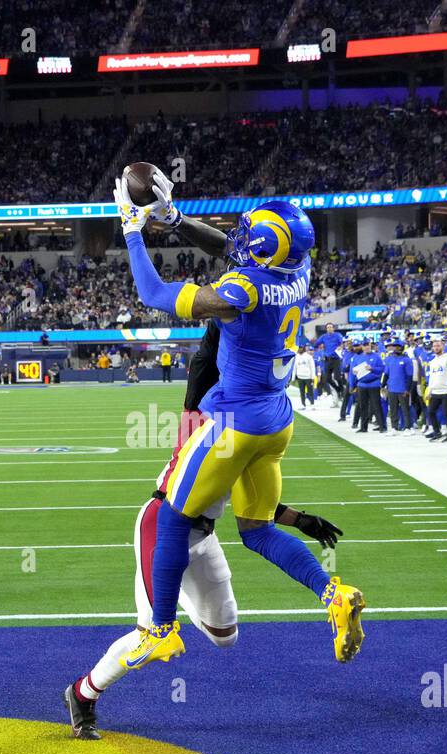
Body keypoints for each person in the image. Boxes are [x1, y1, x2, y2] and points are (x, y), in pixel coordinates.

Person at [112, 172, 367, 668]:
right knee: (256, 529)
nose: (241, 240)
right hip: (276, 420)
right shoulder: (298, 267)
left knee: (172, 516)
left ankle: (161, 627)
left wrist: (132, 229)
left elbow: (154, 293)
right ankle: (332, 593)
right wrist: (177, 220)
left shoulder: (243, 288)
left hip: (234, 421)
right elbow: (234, 245)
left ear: (264, 248)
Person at [64, 322, 343, 739]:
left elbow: (252, 503)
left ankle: (175, 596)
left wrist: (300, 520)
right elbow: (201, 370)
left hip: (203, 534)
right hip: (162, 526)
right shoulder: (201, 422)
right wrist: (221, 324)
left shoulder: (243, 434)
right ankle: (84, 693)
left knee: (225, 634)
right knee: (147, 637)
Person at [424, 337, 447, 442]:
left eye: (438, 346)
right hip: (435, 391)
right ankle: (437, 432)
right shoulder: (432, 361)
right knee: (431, 412)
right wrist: (430, 391)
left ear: (443, 346)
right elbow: (431, 377)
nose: (436, 348)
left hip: (445, 390)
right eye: (434, 346)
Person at [382, 339, 415, 433]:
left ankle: (408, 427)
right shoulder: (389, 359)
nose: (396, 348)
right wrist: (383, 385)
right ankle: (394, 428)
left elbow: (410, 376)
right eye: (395, 346)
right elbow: (386, 374)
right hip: (392, 388)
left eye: (398, 346)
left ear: (402, 347)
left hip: (402, 388)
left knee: (405, 409)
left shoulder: (407, 360)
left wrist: (407, 389)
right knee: (393, 409)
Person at [353, 340, 386, 433]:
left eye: (368, 345)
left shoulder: (376, 357)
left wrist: (372, 368)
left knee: (376, 405)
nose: (366, 347)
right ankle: (364, 427)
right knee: (362, 406)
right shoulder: (358, 358)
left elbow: (382, 369)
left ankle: (382, 426)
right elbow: (354, 369)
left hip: (373, 384)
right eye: (364, 345)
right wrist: (354, 372)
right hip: (362, 384)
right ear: (362, 347)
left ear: (370, 346)